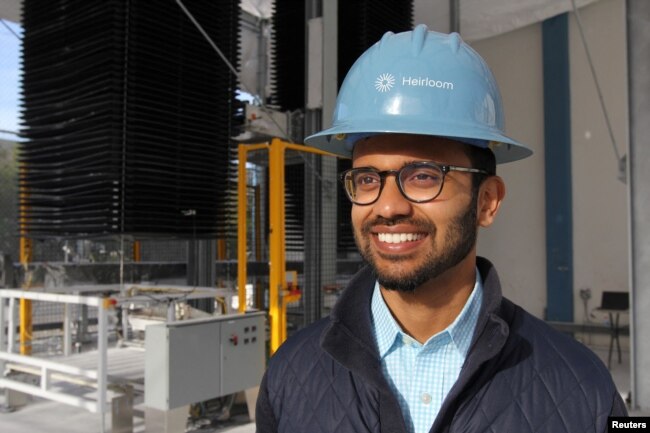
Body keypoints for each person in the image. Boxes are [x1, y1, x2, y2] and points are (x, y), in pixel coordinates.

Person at [255, 24, 627, 433]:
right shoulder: (290, 376)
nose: (388, 206)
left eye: (423, 176)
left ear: (487, 202)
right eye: (366, 179)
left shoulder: (582, 393)